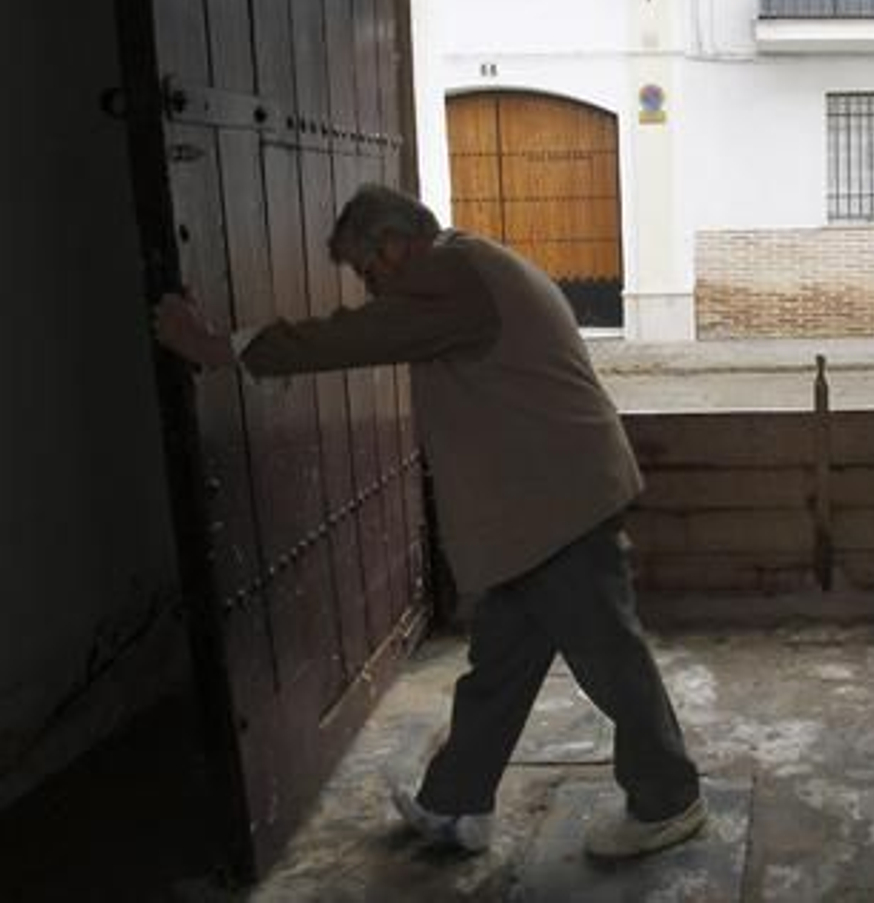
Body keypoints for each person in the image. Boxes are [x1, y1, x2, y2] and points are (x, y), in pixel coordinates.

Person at [154, 183, 704, 859]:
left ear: (394, 244)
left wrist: (217, 346)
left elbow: (355, 335)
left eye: (368, 269)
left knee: (611, 659)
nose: (370, 286)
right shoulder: (466, 263)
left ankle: (668, 798)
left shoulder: (449, 274)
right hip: (540, 511)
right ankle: (456, 804)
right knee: (500, 666)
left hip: (558, 507)